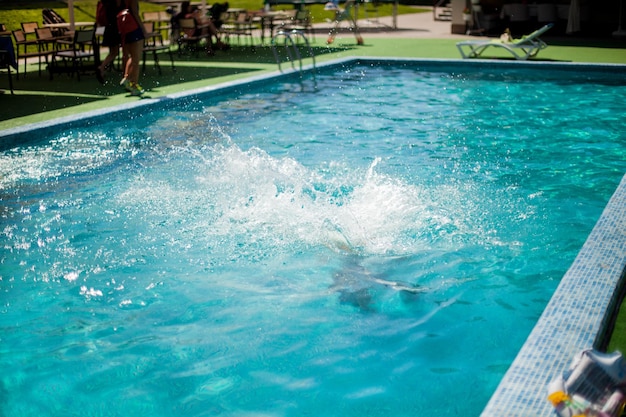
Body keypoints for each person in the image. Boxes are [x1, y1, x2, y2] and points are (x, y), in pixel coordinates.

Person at [118, 0, 146, 96]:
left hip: (126, 28)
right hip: (134, 29)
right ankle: (134, 85)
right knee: (136, 59)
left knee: (132, 56)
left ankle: (126, 78)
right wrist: (143, 29)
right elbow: (135, 13)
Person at [96, 0, 122, 84]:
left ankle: (103, 68)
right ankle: (102, 67)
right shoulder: (113, 3)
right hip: (114, 28)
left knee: (113, 52)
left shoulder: (103, 3)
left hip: (107, 28)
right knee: (115, 52)